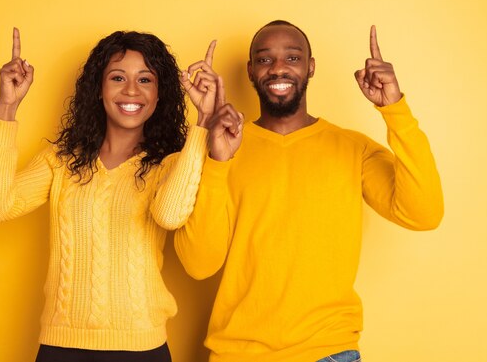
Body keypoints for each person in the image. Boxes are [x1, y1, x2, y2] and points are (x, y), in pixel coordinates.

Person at [174, 20, 444, 362]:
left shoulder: (353, 148)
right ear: (250, 71)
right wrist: (215, 161)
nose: (278, 68)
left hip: (327, 352)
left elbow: (423, 213)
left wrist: (395, 110)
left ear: (310, 67)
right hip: (237, 354)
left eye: (292, 57)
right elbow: (198, 264)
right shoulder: (223, 146)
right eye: (264, 59)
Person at [0, 28, 242, 362]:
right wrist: (7, 107)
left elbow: (169, 215)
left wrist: (203, 122)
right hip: (61, 348)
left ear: (160, 95)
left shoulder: (173, 163)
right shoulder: (61, 161)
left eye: (145, 80)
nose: (131, 90)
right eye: (117, 77)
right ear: (98, 90)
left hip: (141, 350)